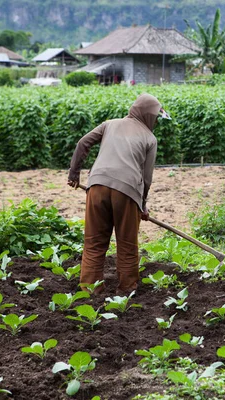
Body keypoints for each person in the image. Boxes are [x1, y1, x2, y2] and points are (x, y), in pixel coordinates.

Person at [67, 93, 169, 295]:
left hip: (96, 186)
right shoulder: (150, 138)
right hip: (128, 192)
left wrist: (74, 174)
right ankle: (126, 290)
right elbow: (146, 178)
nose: (156, 122)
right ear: (148, 115)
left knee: (94, 243)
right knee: (127, 244)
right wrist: (142, 204)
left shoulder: (109, 124)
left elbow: (82, 144)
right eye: (156, 118)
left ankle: (90, 290)